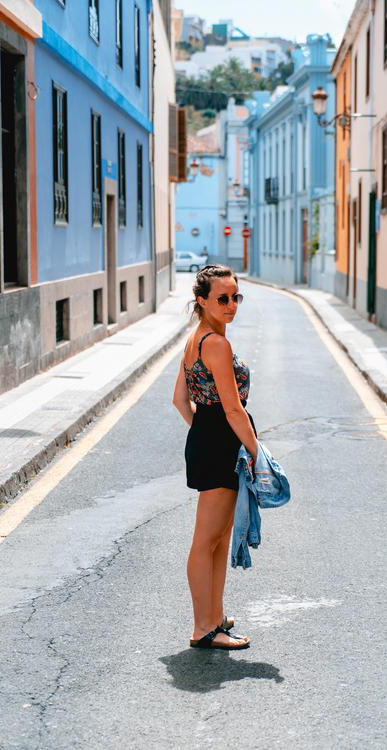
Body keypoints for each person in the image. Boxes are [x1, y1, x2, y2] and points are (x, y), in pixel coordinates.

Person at [172, 265, 258, 650]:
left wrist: (202, 432)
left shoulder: (195, 339)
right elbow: (234, 409)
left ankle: (216, 615)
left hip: (208, 439)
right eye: (222, 298)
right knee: (206, 540)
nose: (230, 305)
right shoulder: (217, 344)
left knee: (219, 540)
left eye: (235, 297)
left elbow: (180, 401)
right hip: (222, 442)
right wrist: (257, 453)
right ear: (202, 301)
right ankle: (204, 628)